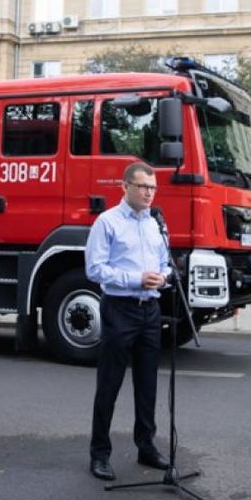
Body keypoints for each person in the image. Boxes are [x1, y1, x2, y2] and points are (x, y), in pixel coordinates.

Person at [85, 161, 172, 481]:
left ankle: (146, 446)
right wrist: (137, 278)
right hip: (120, 309)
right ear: (125, 187)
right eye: (142, 187)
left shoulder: (156, 224)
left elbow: (165, 265)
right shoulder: (107, 223)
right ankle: (99, 453)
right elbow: (95, 270)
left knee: (147, 383)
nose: (149, 193)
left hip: (150, 310)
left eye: (153, 188)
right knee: (110, 382)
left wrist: (161, 279)